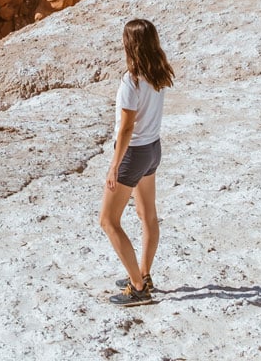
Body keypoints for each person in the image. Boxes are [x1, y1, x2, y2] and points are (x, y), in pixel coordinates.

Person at [99, 18, 174, 306]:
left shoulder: (131, 80)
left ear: (130, 44)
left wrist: (114, 165)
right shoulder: (158, 74)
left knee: (108, 220)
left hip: (134, 153)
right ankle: (143, 273)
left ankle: (138, 287)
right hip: (153, 149)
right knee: (147, 216)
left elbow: (127, 128)